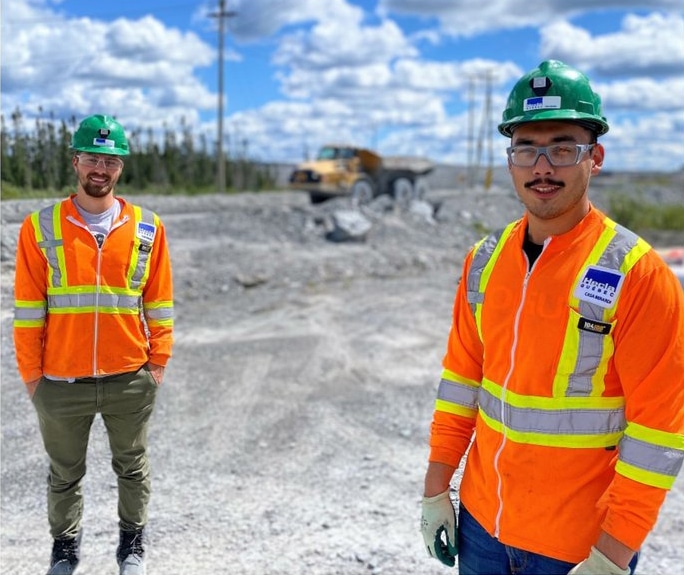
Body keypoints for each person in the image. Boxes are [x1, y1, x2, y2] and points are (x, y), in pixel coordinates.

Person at [420, 60, 684, 575]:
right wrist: (436, 491)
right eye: (526, 148)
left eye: (563, 148)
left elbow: (659, 432)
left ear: (595, 157)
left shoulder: (638, 274)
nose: (543, 166)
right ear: (510, 159)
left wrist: (613, 553)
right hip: (481, 531)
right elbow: (459, 384)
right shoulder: (484, 261)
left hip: (575, 548)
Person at [13, 114, 174, 575]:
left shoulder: (147, 228)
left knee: (133, 468)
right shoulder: (40, 228)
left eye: (110, 160)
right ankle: (64, 551)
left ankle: (132, 548)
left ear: (120, 167)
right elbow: (28, 310)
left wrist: (157, 363)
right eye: (91, 159)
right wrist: (32, 375)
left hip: (129, 377)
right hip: (61, 381)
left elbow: (159, 302)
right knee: (64, 474)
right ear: (75, 162)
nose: (99, 169)